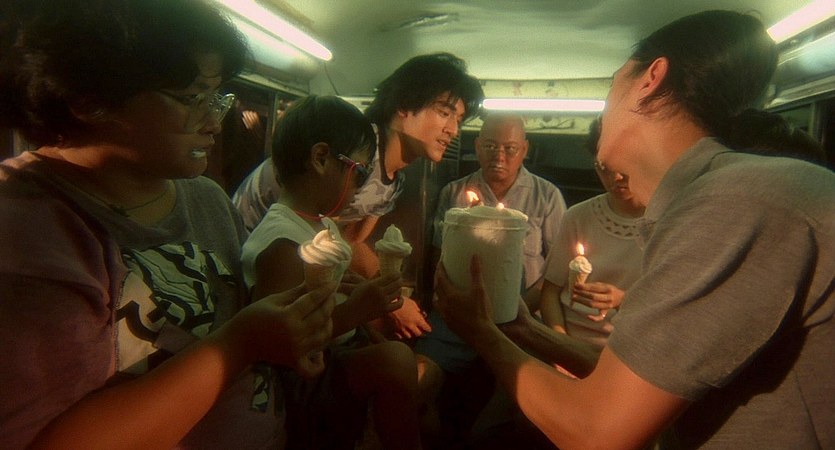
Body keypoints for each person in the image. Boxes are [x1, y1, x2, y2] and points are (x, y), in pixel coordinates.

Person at [433, 10, 835, 449]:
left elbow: (594, 432)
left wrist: (481, 333)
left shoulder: (736, 203)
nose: (606, 107)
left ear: (651, 78)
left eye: (612, 84)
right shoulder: (712, 198)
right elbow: (625, 377)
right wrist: (519, 328)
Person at [0, 1, 336, 449]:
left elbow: (235, 317)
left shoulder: (206, 198)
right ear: (90, 101)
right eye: (193, 98)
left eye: (218, 98)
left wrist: (291, 331)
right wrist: (240, 345)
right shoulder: (27, 232)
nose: (215, 123)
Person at [234, 53, 484, 341]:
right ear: (404, 105)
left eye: (459, 119)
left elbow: (351, 240)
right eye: (444, 112)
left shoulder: (394, 180)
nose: (453, 129)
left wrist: (387, 293)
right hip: (254, 255)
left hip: (303, 260)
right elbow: (336, 242)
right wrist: (395, 301)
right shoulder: (361, 151)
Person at [239, 95, 421, 450]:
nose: (362, 185)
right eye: (360, 172)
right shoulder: (283, 244)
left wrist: (356, 297)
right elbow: (280, 342)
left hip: (332, 353)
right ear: (321, 158)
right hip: (297, 383)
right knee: (396, 362)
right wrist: (357, 310)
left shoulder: (322, 226)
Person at [417, 113, 566, 374]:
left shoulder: (547, 196)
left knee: (522, 387)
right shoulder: (454, 193)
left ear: (524, 150)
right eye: (490, 146)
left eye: (510, 148)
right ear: (477, 146)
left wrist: (515, 311)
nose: (499, 156)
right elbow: (438, 259)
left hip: (520, 322)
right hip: (459, 321)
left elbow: (555, 273)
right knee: (419, 374)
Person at [539, 117, 644, 349]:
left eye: (623, 164)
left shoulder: (668, 222)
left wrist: (622, 299)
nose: (616, 177)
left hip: (628, 351)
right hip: (570, 341)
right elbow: (550, 294)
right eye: (604, 168)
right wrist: (563, 345)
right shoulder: (578, 216)